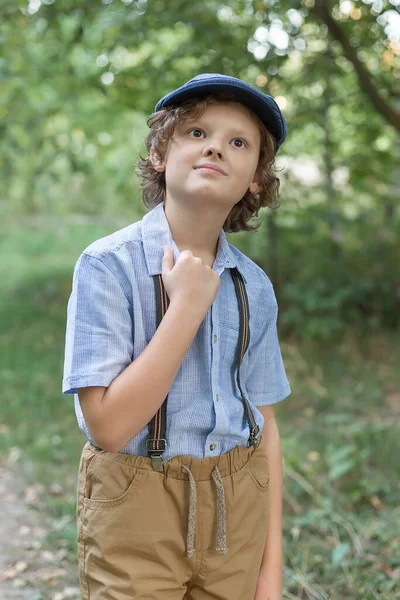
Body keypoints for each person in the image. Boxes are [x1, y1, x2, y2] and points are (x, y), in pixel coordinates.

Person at [62, 73, 291, 600]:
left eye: (238, 142)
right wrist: (186, 307)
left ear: (255, 177)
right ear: (161, 152)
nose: (215, 145)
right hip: (134, 507)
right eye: (196, 132)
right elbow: (110, 429)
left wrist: (269, 574)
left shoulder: (252, 286)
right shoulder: (107, 266)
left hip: (238, 507)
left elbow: (266, 425)